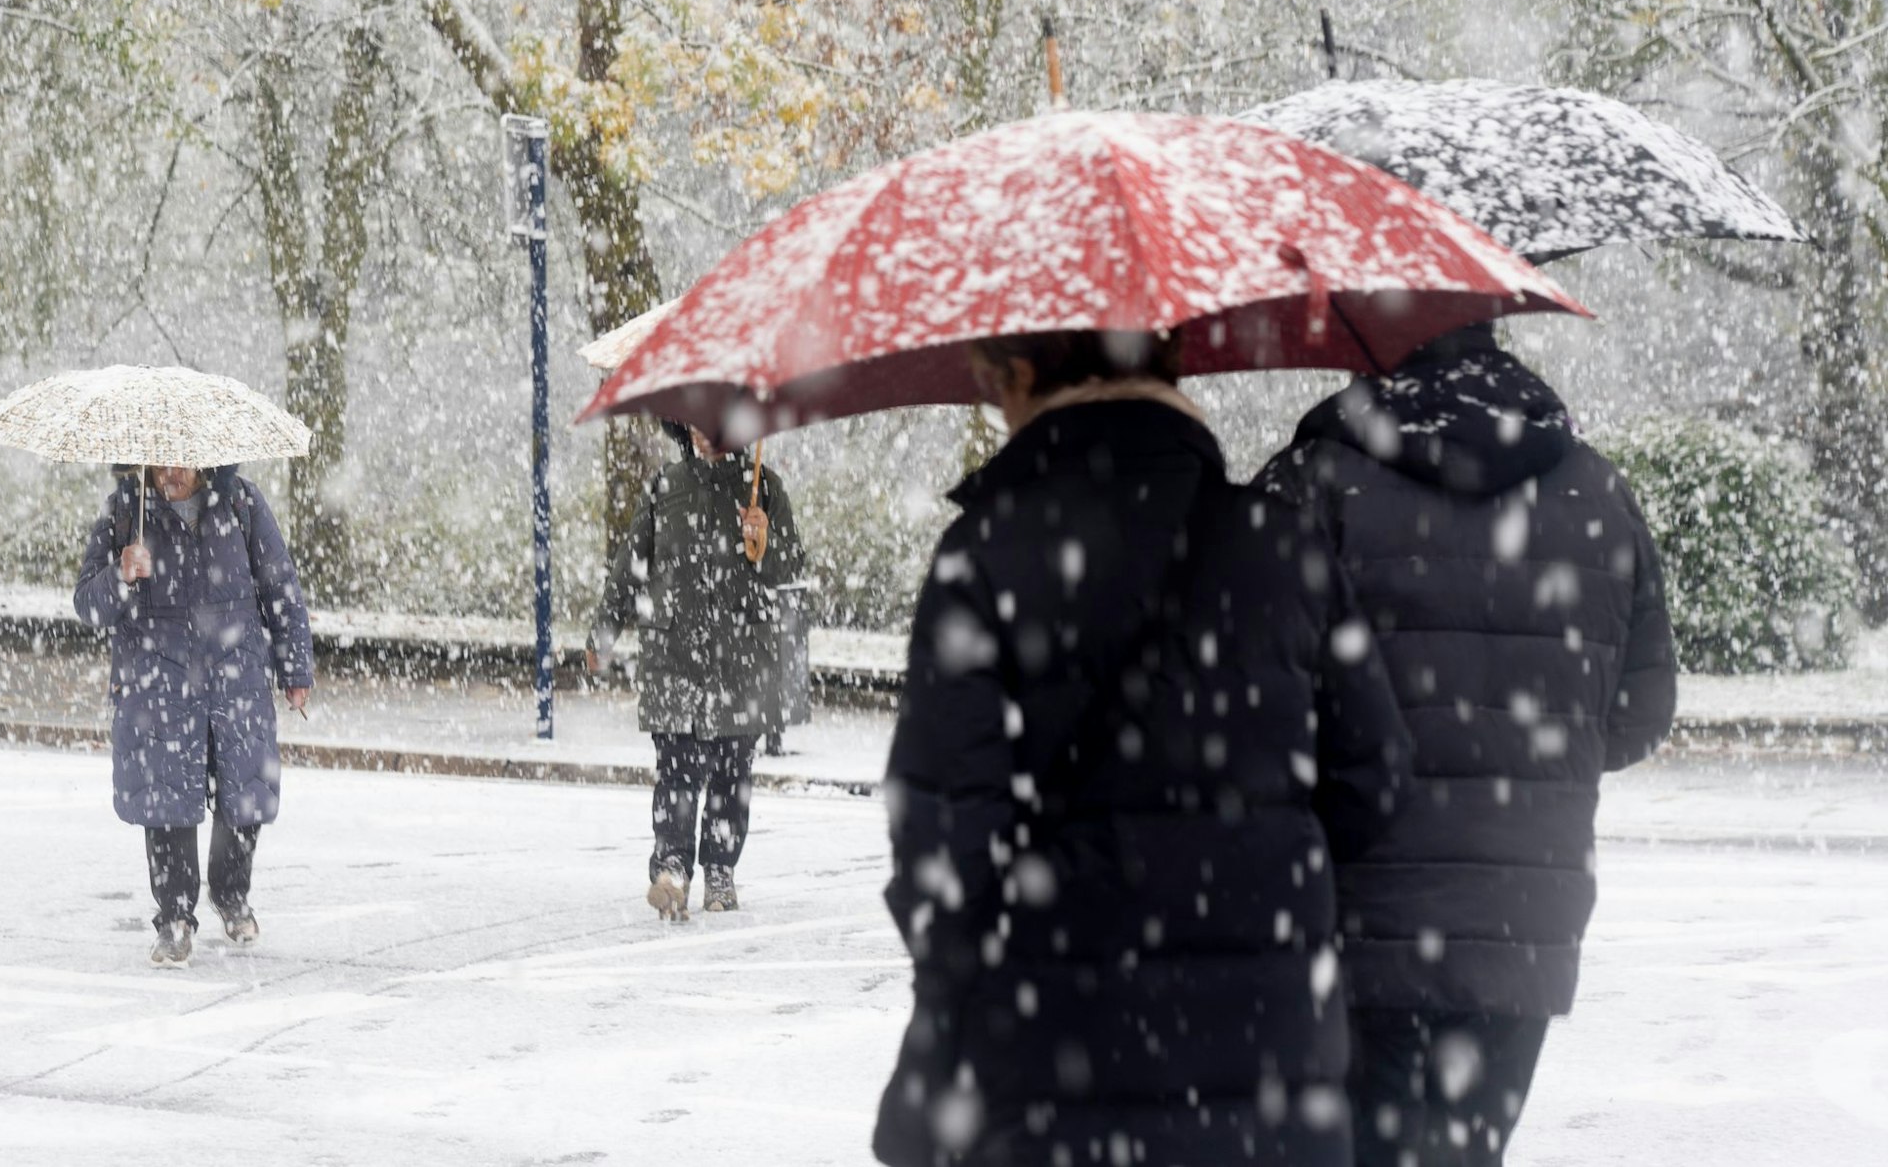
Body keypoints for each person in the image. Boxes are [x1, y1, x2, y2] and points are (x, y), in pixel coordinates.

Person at [873, 330, 1412, 1167]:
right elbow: (1374, 777)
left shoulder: (984, 558)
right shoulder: (1284, 546)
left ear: (1023, 374)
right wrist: (1258, 873)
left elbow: (942, 844)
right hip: (1269, 1066)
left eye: (992, 379)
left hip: (1051, 1069)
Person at [1260, 322, 1677, 1166]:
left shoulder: (1316, 482)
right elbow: (1640, 713)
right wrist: (1530, 760)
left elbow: (1258, 699)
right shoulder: (1595, 491)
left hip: (1353, 918)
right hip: (1524, 921)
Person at [73, 463, 313, 968]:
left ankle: (229, 893)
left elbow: (280, 587)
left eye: (181, 462)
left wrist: (295, 669)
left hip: (235, 680)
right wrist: (121, 574)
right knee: (167, 806)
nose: (170, 473)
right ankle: (175, 918)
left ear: (206, 463)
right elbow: (88, 605)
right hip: (159, 687)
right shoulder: (126, 512)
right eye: (160, 462)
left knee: (243, 798)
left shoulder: (241, 504)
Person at [588, 421, 807, 920]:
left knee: (732, 771)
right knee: (677, 769)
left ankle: (721, 871)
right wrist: (604, 630)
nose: (707, 431)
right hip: (674, 657)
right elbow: (631, 566)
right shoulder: (665, 486)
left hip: (741, 659)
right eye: (697, 420)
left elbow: (791, 574)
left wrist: (765, 541)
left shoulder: (764, 488)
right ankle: (670, 868)